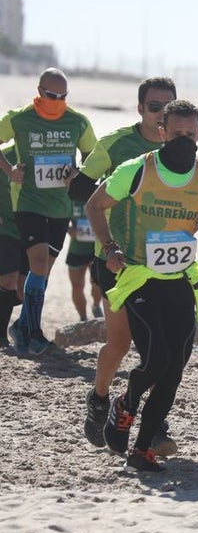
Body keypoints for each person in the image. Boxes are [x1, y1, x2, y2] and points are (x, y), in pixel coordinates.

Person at [85, 99, 198, 473]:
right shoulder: (136, 171)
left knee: (174, 369)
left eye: (190, 134)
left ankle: (141, 449)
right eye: (176, 133)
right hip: (139, 277)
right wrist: (109, 247)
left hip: (180, 282)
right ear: (161, 133)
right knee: (157, 360)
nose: (184, 139)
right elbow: (94, 204)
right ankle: (124, 404)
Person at [70, 76, 178, 453]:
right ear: (139, 109)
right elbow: (79, 189)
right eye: (154, 107)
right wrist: (117, 191)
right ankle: (100, 399)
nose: (161, 115)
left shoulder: (180, 147)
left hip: (162, 262)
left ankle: (156, 421)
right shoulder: (117, 144)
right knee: (119, 342)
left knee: (158, 347)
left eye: (168, 107)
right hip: (115, 258)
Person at [0, 68, 97, 356]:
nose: (56, 100)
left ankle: (22, 325)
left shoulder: (77, 122)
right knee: (39, 263)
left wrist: (79, 174)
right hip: (28, 202)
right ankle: (33, 332)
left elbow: (92, 156)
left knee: (44, 270)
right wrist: (10, 170)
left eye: (62, 96)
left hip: (61, 205)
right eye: (51, 95)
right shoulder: (19, 118)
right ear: (39, 91)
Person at [0, 143, 27, 347]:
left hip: (30, 227)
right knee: (8, 280)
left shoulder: (40, 155)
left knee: (20, 291)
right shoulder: (5, 155)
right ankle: (1, 336)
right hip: (5, 226)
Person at [64, 199, 102, 320]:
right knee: (77, 286)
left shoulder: (101, 193)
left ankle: (96, 305)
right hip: (77, 249)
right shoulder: (73, 198)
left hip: (97, 249)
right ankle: (83, 318)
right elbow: (60, 219)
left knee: (98, 283)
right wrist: (69, 230)